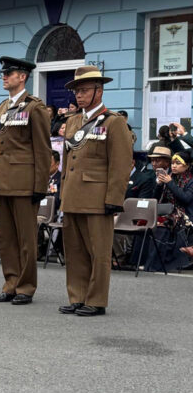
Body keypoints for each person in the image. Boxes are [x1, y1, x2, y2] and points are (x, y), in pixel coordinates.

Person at [60, 65, 132, 317]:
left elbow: (121, 164)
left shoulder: (114, 122)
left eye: (84, 90)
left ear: (98, 91)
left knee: (98, 251)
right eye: (77, 91)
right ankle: (77, 296)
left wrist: (114, 198)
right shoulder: (72, 122)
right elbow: (67, 163)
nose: (79, 95)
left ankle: (96, 299)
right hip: (72, 196)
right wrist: (62, 195)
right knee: (75, 250)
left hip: (97, 197)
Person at [0, 57, 52, 306]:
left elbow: (42, 149)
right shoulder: (3, 106)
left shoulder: (35, 107)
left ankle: (26, 286)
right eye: (3, 73)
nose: (4, 76)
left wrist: (40, 186)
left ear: (22, 76)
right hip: (2, 181)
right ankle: (10, 283)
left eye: (9, 73)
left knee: (26, 238)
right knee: (6, 238)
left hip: (25, 182)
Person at [141, 150, 193, 272]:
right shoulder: (169, 178)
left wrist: (169, 183)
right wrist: (159, 185)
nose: (174, 166)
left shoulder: (190, 181)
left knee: (162, 227)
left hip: (185, 215)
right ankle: (150, 264)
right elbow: (155, 198)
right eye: (173, 163)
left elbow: (185, 199)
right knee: (155, 223)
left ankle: (155, 265)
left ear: (187, 165)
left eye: (178, 163)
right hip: (168, 212)